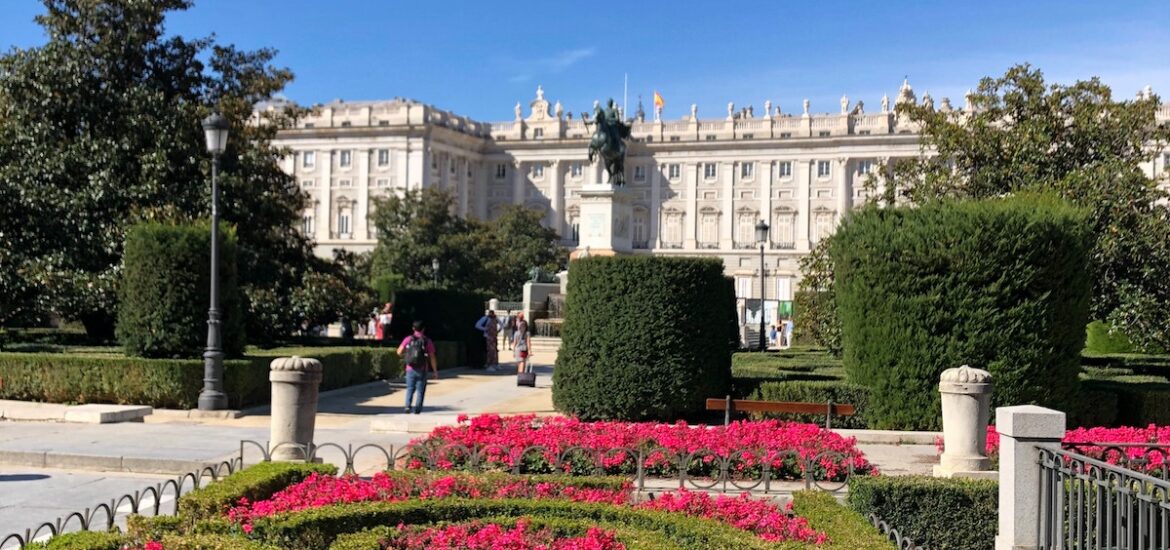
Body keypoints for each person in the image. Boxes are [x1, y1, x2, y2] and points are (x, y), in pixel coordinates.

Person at [397, 320, 438, 414]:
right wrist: (435, 371)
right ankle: (418, 409)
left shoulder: (408, 339)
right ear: (423, 329)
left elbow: (398, 351)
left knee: (410, 388)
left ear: (413, 328)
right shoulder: (427, 341)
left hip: (410, 368)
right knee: (420, 390)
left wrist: (407, 356)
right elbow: (432, 356)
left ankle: (407, 406)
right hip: (422, 369)